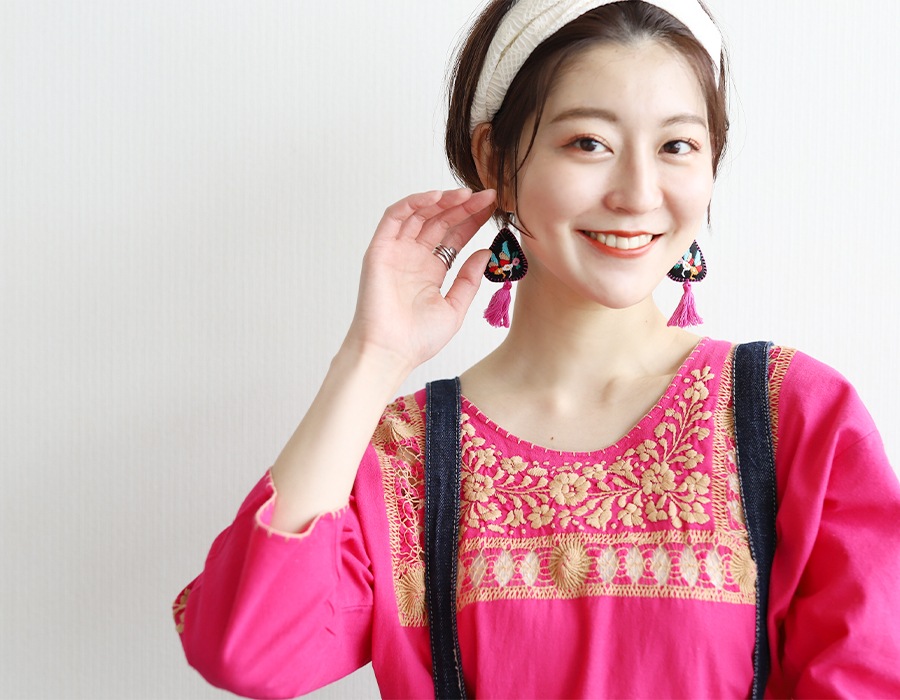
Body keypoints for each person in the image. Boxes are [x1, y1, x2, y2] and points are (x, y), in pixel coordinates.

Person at [173, 1, 900, 697]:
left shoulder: (790, 415)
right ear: (496, 160)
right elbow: (247, 652)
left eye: (676, 146)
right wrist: (373, 356)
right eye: (589, 143)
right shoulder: (406, 459)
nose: (638, 193)